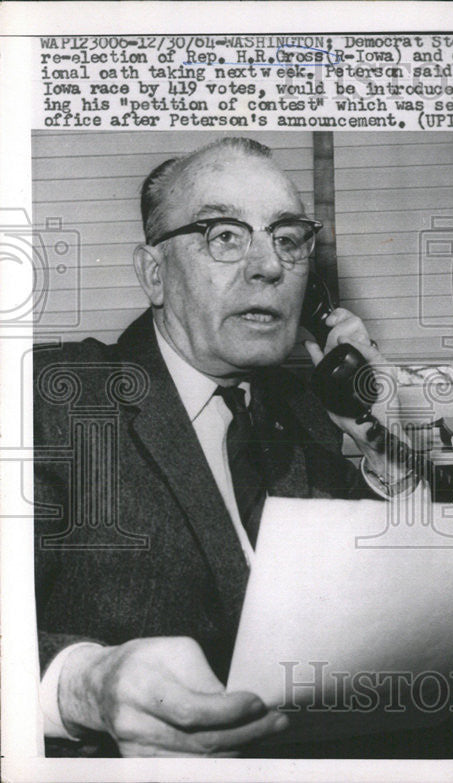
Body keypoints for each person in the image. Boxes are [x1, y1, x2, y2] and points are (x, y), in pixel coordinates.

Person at [34, 138, 418, 757]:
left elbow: (391, 627)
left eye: (287, 238)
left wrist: (382, 444)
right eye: (225, 235)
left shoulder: (307, 414)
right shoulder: (58, 401)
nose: (269, 266)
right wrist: (83, 687)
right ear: (154, 274)